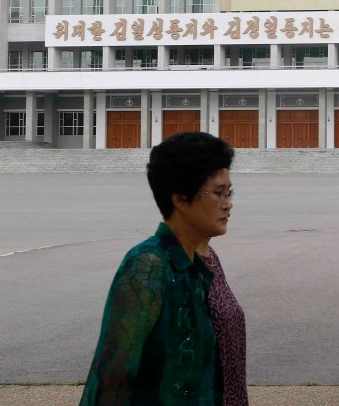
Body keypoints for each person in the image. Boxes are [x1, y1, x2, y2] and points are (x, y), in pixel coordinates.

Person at [80, 132, 248, 405]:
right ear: (180, 199)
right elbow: (111, 381)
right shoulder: (148, 266)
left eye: (229, 192)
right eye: (218, 193)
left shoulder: (202, 261)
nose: (228, 204)